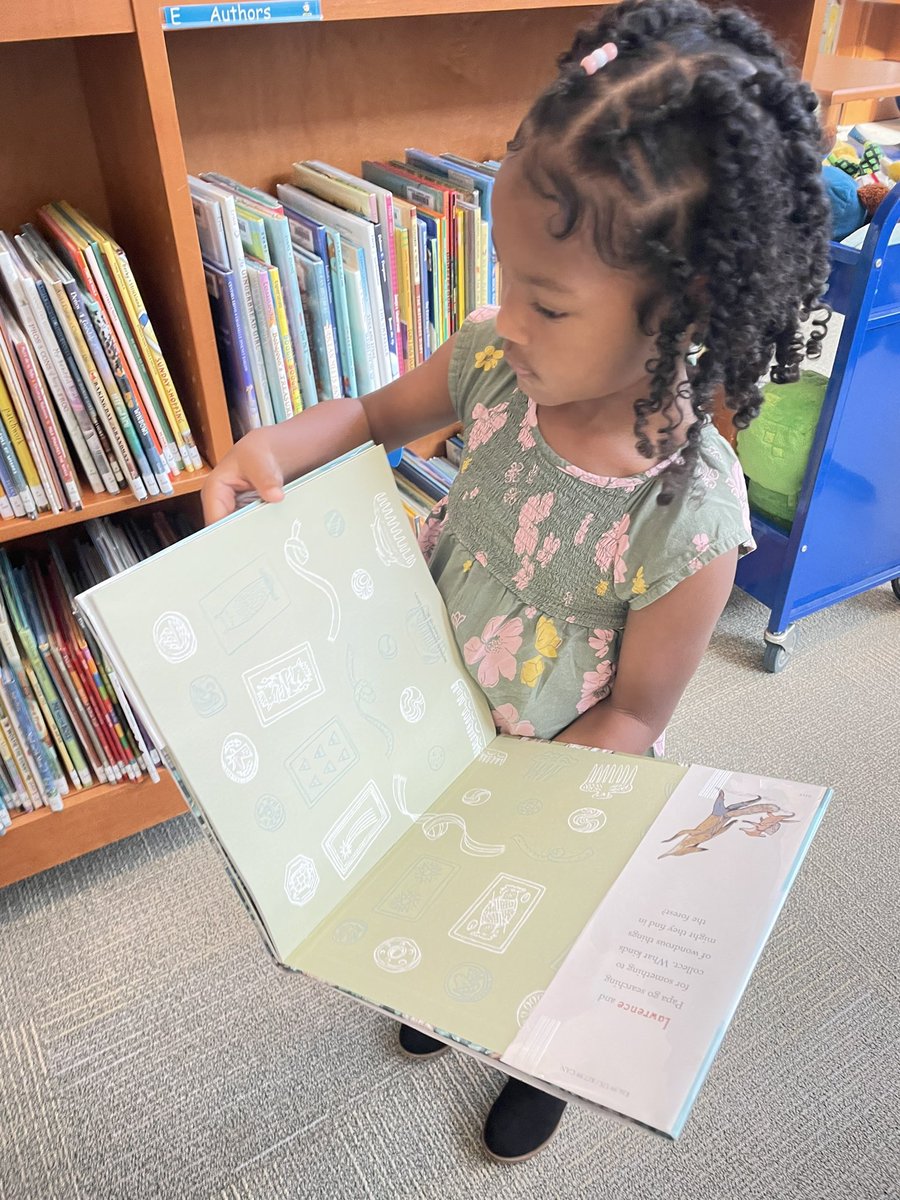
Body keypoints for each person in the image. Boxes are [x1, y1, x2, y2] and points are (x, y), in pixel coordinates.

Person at [201, 0, 831, 1164]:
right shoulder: (496, 366)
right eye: (506, 273)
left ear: (683, 312)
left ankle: (537, 1056)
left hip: (548, 779)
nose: (507, 316)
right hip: (433, 714)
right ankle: (443, 998)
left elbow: (637, 714)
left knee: (544, 935)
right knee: (442, 915)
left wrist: (508, 804)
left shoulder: (689, 516)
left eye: (547, 301)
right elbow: (374, 415)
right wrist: (276, 450)